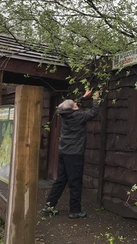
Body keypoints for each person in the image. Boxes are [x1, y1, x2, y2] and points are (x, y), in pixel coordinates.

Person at [42, 89, 100, 219]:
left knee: (61, 180)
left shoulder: (65, 114)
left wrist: (84, 97)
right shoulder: (78, 116)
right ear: (73, 108)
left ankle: (49, 206)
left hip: (64, 152)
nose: (76, 104)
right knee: (75, 181)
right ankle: (75, 210)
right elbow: (93, 112)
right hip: (74, 154)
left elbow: (71, 106)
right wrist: (95, 99)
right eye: (75, 104)